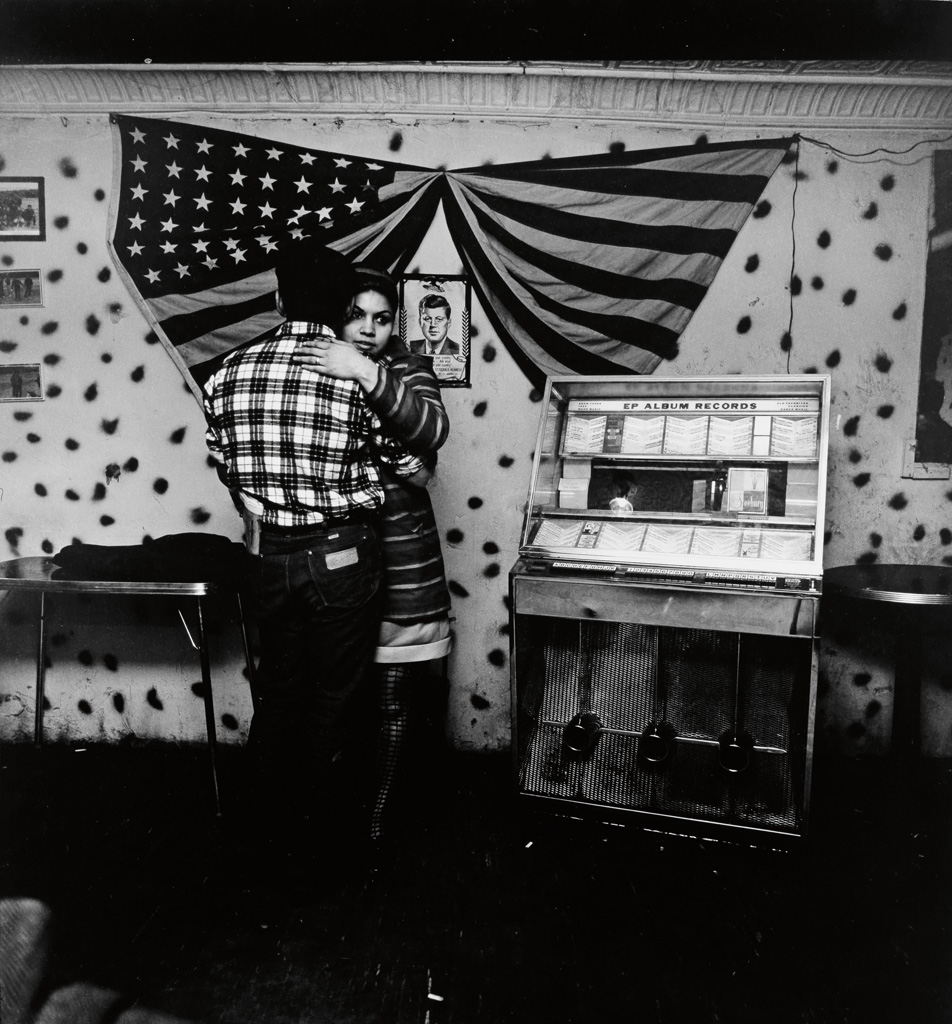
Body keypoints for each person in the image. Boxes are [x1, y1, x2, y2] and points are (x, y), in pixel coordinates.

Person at [202, 241, 429, 849]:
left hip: (267, 558)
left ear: (277, 298)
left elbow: (225, 464)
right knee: (335, 702)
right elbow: (410, 464)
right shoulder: (351, 374)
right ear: (338, 307)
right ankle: (318, 853)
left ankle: (262, 846)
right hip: (342, 556)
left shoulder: (224, 373)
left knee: (277, 698)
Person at [291, 266, 452, 843]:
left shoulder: (408, 368)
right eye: (356, 316)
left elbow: (432, 427)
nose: (368, 330)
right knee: (339, 697)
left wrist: (363, 371)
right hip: (334, 563)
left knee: (391, 700)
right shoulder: (311, 365)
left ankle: (379, 821)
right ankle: (339, 817)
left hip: (402, 563)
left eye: (381, 319)